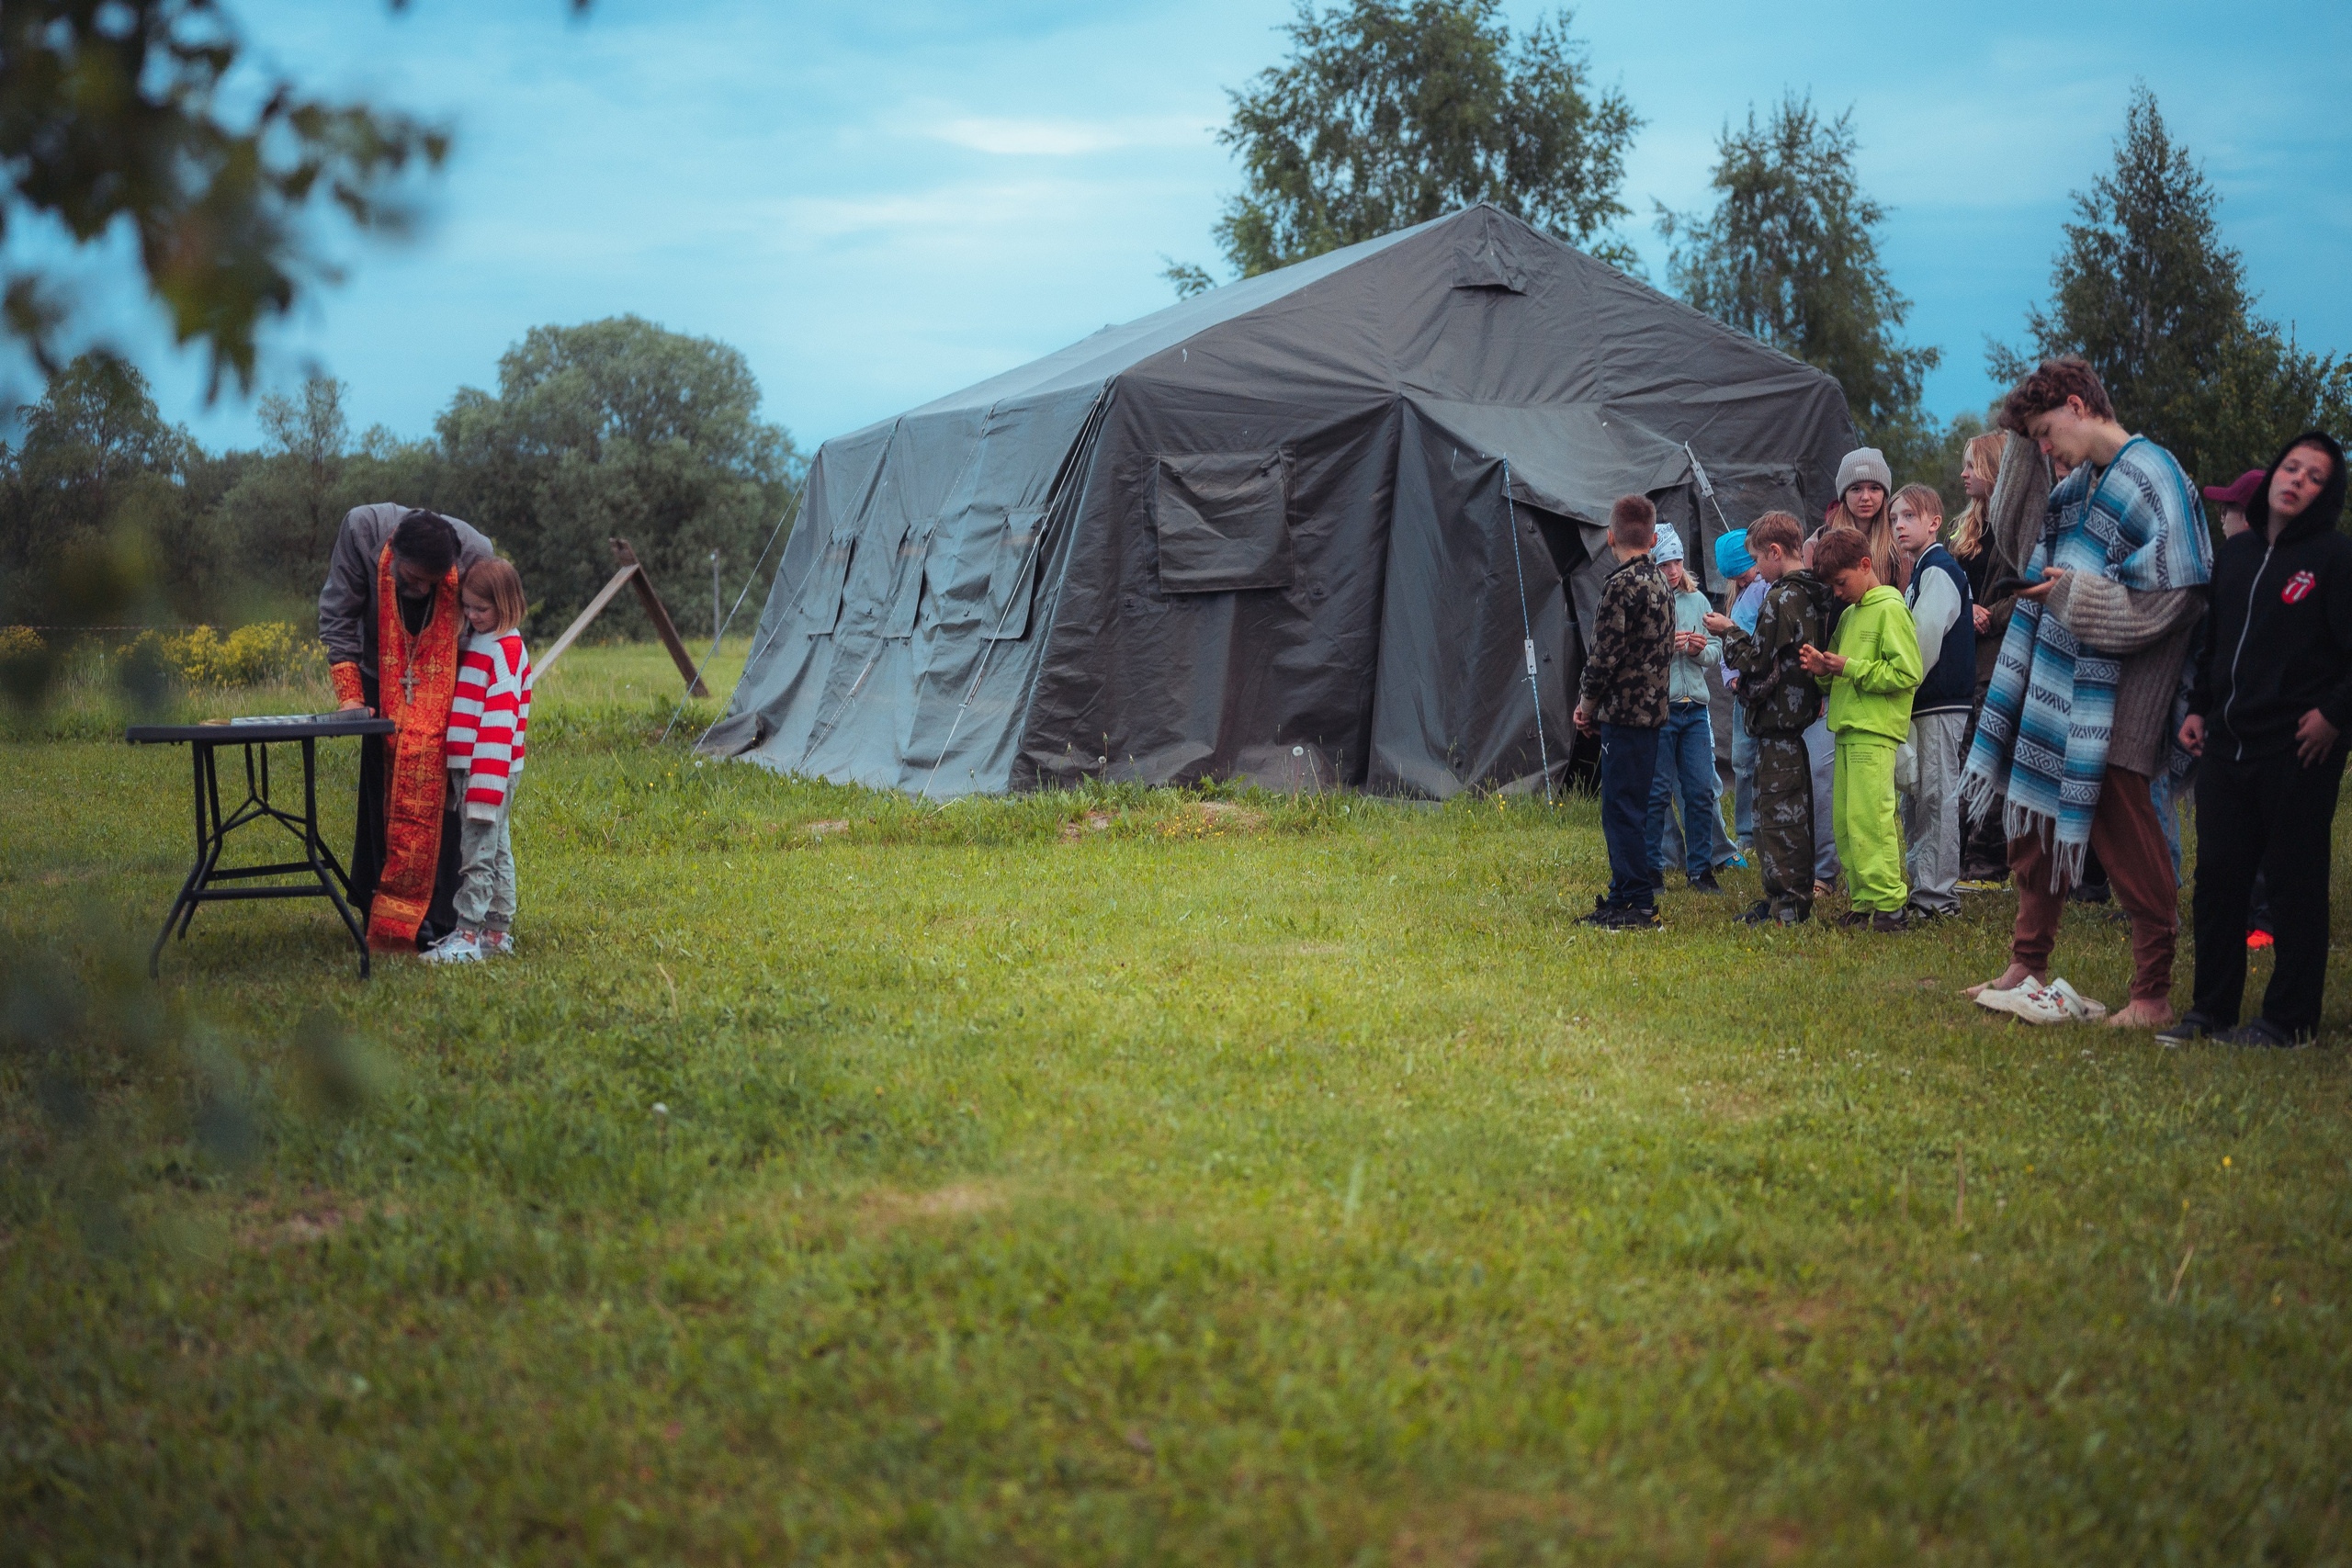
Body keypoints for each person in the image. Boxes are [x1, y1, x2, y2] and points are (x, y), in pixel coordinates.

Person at [1962, 356, 2212, 1031]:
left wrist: (2075, 596)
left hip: (2124, 693)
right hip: (2062, 682)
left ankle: (2152, 992)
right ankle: (2027, 961)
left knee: (2128, 836)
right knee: (2037, 828)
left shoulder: (2153, 475)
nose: (2047, 450)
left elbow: (2180, 593)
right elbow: (2021, 537)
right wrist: (2016, 434)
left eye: (2046, 432)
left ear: (2077, 405)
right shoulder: (2087, 485)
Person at [2163, 432, 2352, 1049]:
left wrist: (2333, 715)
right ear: (2272, 474)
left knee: (2295, 885)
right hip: (2226, 746)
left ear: (2329, 494)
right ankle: (2210, 1011)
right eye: (2291, 467)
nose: (2296, 480)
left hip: (2298, 749)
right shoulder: (2239, 555)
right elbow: (2216, 644)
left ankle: (2287, 1020)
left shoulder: (2334, 557)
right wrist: (2198, 709)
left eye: (2314, 476)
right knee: (2219, 880)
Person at [321, 504, 496, 950]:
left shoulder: (477, 551)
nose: (420, 589)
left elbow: (485, 629)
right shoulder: (362, 529)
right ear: (392, 549)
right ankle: (381, 910)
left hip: (446, 681)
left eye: (431, 584)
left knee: (446, 793)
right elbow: (340, 612)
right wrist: (352, 699)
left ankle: (443, 916)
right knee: (384, 790)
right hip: (381, 674)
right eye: (412, 579)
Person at [1705, 511, 1837, 925]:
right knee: (1788, 816)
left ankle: (1787, 907)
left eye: (1759, 559)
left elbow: (1756, 661)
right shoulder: (1815, 592)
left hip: (1778, 722)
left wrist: (1728, 630)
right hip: (1797, 720)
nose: (1757, 569)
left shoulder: (1780, 598)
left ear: (1775, 552)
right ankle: (1786, 900)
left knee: (1777, 822)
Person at [1800, 526, 1923, 931]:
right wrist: (1823, 671)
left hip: (1875, 730)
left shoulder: (1890, 607)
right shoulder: (1851, 614)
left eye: (1841, 582)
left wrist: (1849, 668)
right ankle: (1867, 901)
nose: (1837, 592)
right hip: (1847, 729)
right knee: (1848, 823)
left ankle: (1890, 905)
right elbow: (1838, 672)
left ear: (1865, 565)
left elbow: (1907, 672)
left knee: (1872, 819)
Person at [1573, 496, 1676, 931]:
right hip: (1651, 715)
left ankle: (1637, 903)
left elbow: (1603, 656)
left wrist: (1586, 704)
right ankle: (1620, 895)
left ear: (1610, 536)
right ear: (1653, 539)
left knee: (1621, 810)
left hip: (1624, 715)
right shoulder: (1660, 583)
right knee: (1629, 805)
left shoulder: (1620, 586)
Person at [427, 558, 536, 965]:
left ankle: (467, 934)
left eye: (480, 609)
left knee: (477, 853)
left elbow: (499, 727)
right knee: (497, 848)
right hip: (471, 767)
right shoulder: (480, 642)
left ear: (506, 604)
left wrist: (483, 790)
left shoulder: (505, 652)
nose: (471, 615)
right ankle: (496, 932)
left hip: (486, 770)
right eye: (467, 607)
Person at [1951, 432, 2038, 888]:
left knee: (1992, 760)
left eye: (1972, 465)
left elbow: (2033, 588)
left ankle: (1989, 863)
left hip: (2003, 660)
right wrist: (1965, 606)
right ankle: (1963, 859)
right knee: (1965, 759)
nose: (1964, 474)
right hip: (1969, 661)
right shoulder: (1970, 526)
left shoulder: (2019, 525)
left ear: (1995, 469)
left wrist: (1990, 613)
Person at [1890, 484, 1973, 919]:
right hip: (1925, 703)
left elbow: (1923, 642)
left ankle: (1938, 898)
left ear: (1933, 522)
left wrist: (1896, 686)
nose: (1899, 525)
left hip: (1938, 702)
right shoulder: (1921, 571)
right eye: (1894, 519)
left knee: (1937, 797)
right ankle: (1923, 887)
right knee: (1919, 796)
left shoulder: (1939, 569)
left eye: (1908, 516)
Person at [1645, 524, 1724, 894]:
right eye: (1664, 564)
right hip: (1660, 711)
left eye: (1676, 562)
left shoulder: (1698, 602)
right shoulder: (1646, 602)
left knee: (1700, 790)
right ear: (1653, 566)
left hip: (1695, 710)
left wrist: (1696, 650)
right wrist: (1665, 647)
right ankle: (1652, 870)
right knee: (1658, 792)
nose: (1673, 571)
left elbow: (1714, 651)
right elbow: (1636, 659)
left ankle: (1701, 870)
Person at [1715, 528, 1766, 853]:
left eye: (1743, 573)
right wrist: (1730, 676)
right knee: (1743, 763)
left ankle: (1764, 829)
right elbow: (1727, 645)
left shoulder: (1768, 589)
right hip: (1744, 695)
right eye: (1735, 578)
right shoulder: (1738, 597)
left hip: (1766, 689)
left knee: (1765, 761)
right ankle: (1746, 834)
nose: (1743, 581)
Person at [1826, 447, 1900, 588]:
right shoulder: (1818, 543)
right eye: (1856, 489)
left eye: (1874, 488)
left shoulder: (1900, 542)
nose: (1865, 497)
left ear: (1884, 494)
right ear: (1844, 495)